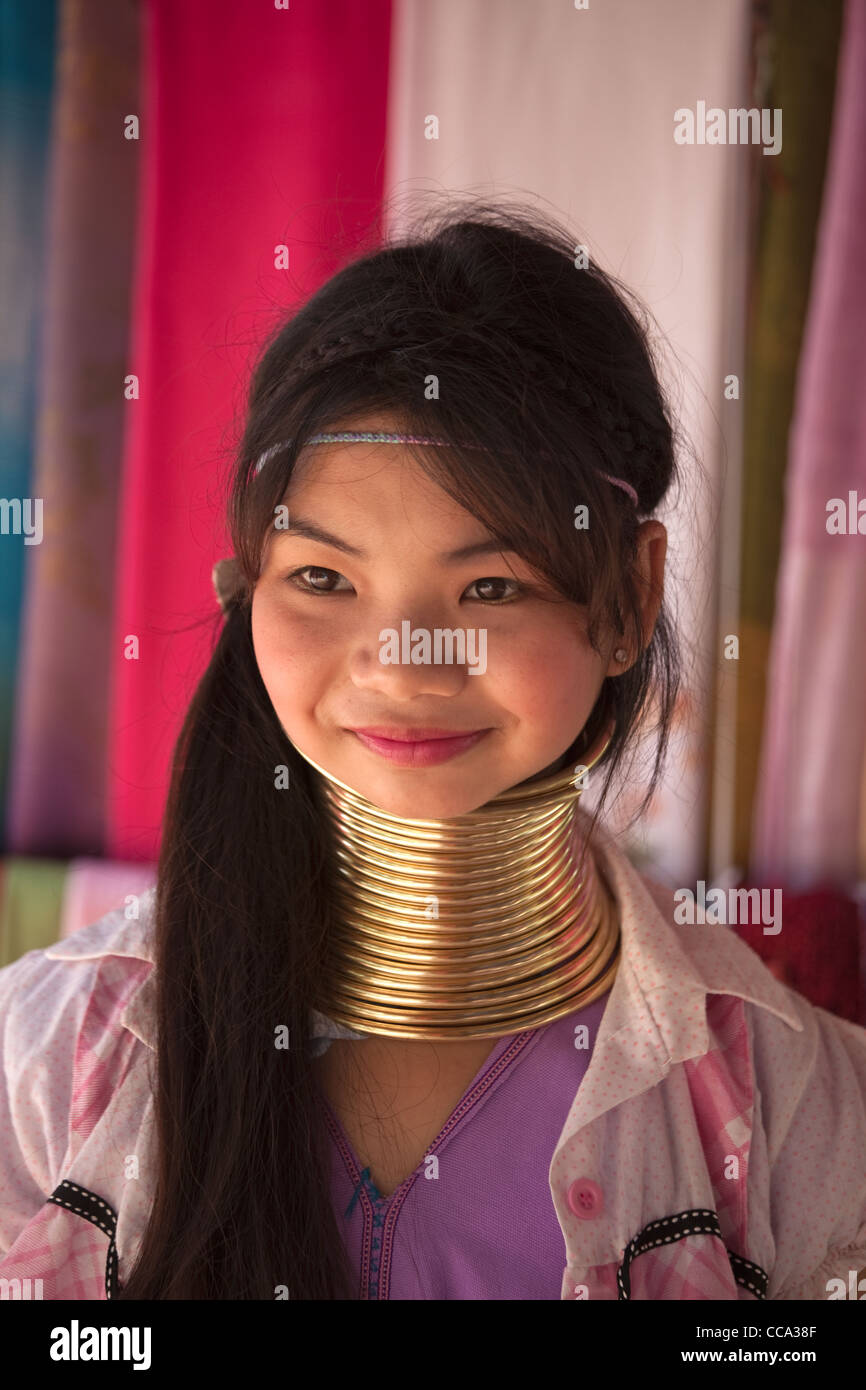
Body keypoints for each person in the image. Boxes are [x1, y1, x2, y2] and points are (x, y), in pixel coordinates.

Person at [1, 201, 865, 1301]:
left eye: (489, 587)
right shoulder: (48, 1061)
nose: (403, 665)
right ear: (249, 584)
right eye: (323, 579)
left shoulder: (800, 1119)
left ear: (629, 596)